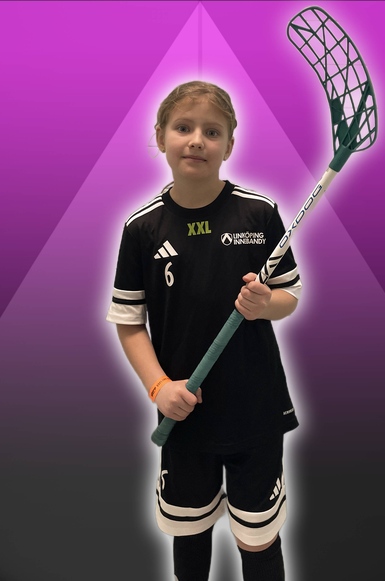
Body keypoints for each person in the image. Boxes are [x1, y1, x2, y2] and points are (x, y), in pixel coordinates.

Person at [106, 80, 302, 581]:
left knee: (257, 536)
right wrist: (158, 386)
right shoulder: (142, 229)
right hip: (184, 414)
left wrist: (265, 305)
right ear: (160, 136)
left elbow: (289, 297)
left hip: (256, 410)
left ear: (229, 145)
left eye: (212, 132)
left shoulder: (259, 213)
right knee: (189, 529)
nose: (197, 140)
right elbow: (129, 323)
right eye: (183, 128)